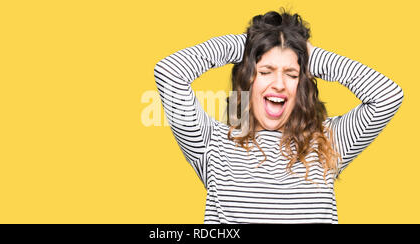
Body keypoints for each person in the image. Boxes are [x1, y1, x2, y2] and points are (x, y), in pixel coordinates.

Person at [153, 9, 403, 224]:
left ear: (302, 85)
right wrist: (248, 45)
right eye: (266, 71)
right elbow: (169, 72)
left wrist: (308, 55)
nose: (279, 84)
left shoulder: (328, 141)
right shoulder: (212, 143)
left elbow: (387, 96)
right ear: (247, 79)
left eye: (292, 75)